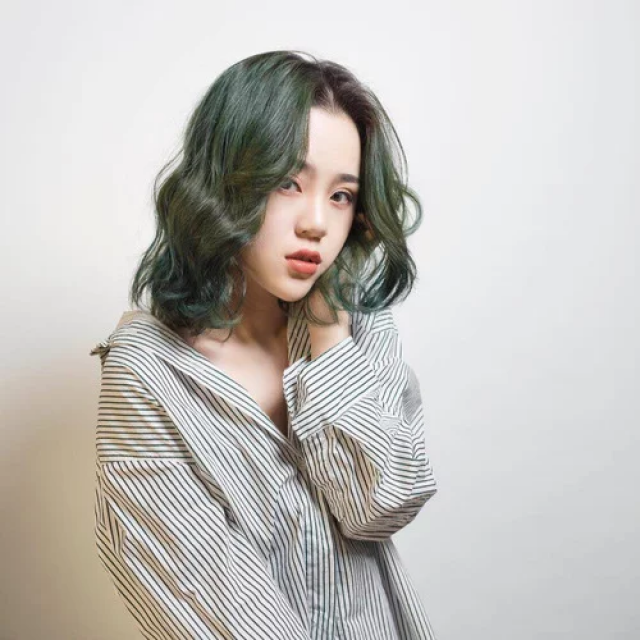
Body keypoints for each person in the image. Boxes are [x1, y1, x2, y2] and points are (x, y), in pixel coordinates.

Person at [90, 49, 439, 639]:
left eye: (341, 195)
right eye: (287, 183)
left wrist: (328, 333)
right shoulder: (148, 374)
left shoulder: (361, 329)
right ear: (223, 183)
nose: (316, 223)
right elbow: (210, 606)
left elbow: (382, 504)